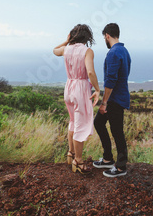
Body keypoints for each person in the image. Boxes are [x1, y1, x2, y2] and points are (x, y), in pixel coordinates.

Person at [53, 24, 100, 174]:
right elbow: (90, 72)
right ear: (87, 37)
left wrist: (67, 41)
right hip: (80, 88)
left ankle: (71, 153)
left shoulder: (66, 49)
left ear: (72, 36)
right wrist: (97, 89)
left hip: (69, 86)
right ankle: (78, 161)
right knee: (81, 123)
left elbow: (54, 50)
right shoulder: (87, 51)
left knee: (73, 121)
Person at [93, 23, 131, 177]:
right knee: (99, 123)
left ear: (107, 36)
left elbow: (111, 80)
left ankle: (121, 168)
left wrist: (104, 103)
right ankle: (108, 158)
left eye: (104, 37)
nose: (105, 40)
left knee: (117, 132)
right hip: (119, 97)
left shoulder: (113, 53)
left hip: (114, 100)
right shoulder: (124, 50)